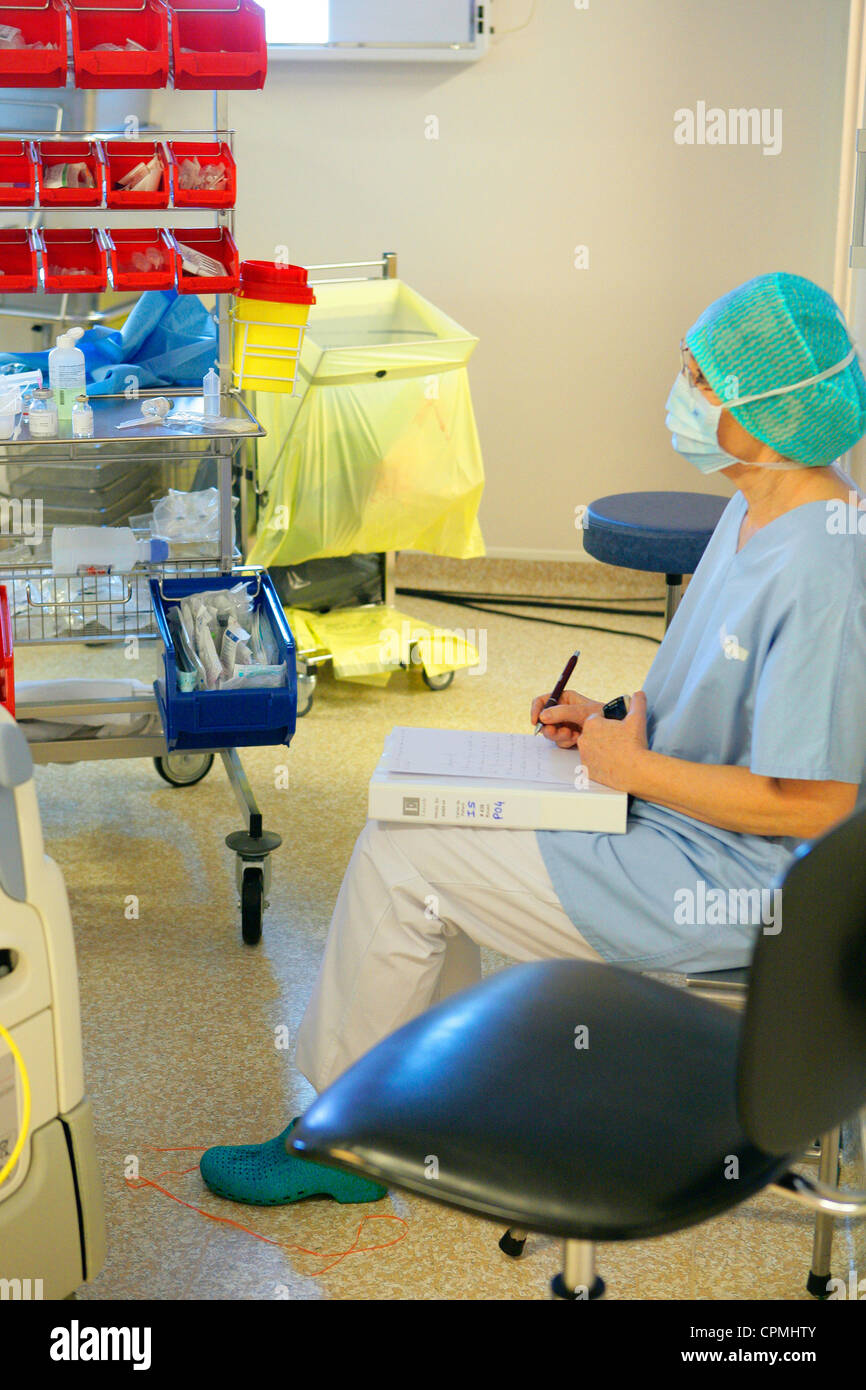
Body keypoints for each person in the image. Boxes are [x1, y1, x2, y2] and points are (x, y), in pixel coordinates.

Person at [200, 272, 866, 1207]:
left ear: (767, 409)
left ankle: (342, 1143)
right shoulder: (754, 509)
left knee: (411, 859)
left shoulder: (826, 562)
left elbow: (822, 804)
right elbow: (725, 695)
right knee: (415, 831)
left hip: (740, 888)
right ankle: (409, 1111)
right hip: (677, 819)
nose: (682, 393)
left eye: (701, 379)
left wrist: (632, 767)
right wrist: (608, 721)